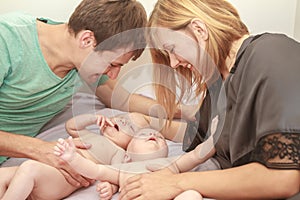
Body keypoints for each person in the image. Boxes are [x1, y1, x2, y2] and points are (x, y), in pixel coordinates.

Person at [118, 0, 300, 199]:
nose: (173, 63)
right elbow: (197, 134)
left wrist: (175, 183)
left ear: (199, 29)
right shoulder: (218, 84)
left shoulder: (272, 53)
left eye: (172, 48)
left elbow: (283, 176)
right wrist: (145, 121)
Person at [0, 0, 149, 188]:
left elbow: (119, 97)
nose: (113, 74)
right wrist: (38, 149)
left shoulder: (82, 63)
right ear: (86, 40)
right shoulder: (7, 39)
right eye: (112, 64)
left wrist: (186, 111)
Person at [0, 111, 213, 200]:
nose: (119, 121)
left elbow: (107, 175)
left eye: (129, 126)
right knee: (5, 175)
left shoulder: (120, 156)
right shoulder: (90, 136)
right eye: (119, 118)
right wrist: (93, 119)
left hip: (62, 176)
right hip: (50, 166)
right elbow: (71, 125)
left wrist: (111, 186)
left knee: (28, 169)